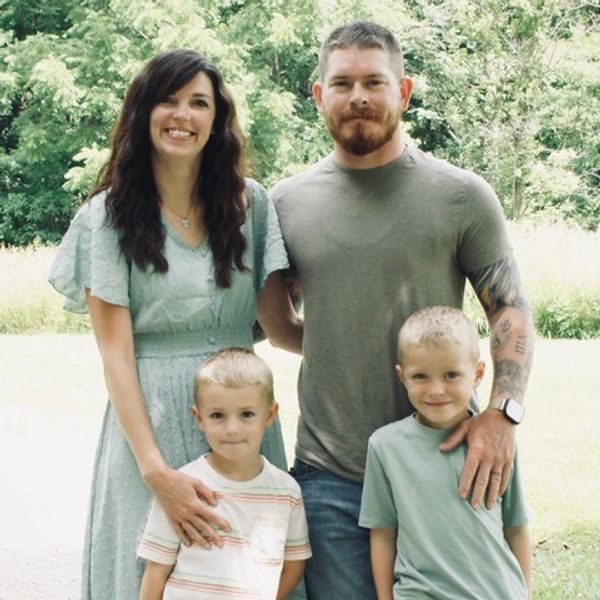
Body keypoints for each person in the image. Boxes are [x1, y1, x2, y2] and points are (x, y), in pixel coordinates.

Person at [271, 20, 534, 599]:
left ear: (405, 92)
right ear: (318, 95)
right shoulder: (287, 203)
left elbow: (510, 310)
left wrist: (503, 413)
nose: (358, 97)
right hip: (332, 474)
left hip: (445, 462)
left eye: (374, 82)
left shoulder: (461, 195)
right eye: (342, 84)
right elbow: (277, 322)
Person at [49, 49, 301, 600]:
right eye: (167, 100)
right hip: (150, 426)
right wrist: (156, 472)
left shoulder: (251, 206)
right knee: (148, 576)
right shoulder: (107, 216)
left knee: (250, 571)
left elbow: (281, 326)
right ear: (143, 112)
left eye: (198, 103)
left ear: (217, 119)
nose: (182, 115)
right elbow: (116, 355)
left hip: (241, 418)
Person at [359, 306, 532, 600]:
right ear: (402, 377)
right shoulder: (384, 446)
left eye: (451, 375)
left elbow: (516, 528)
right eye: (420, 376)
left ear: (477, 374)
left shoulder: (496, 443)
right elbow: (383, 534)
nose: (436, 390)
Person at [137, 348, 311, 600]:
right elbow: (156, 570)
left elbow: (294, 564)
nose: (232, 429)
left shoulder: (286, 491)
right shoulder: (183, 488)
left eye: (246, 414)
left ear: (270, 415)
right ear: (199, 418)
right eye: (217, 415)